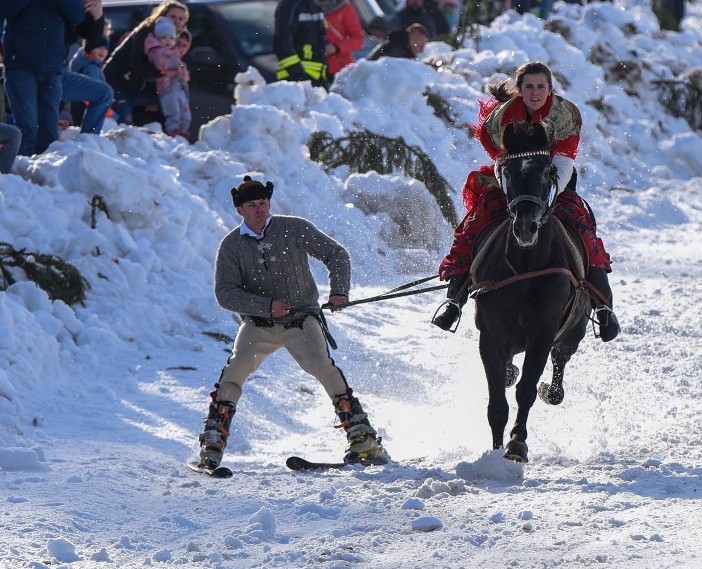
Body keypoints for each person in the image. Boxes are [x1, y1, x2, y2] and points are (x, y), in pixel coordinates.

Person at [196, 176, 389, 469]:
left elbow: (336, 254)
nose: (260, 209)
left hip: (301, 321)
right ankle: (213, 442)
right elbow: (225, 293)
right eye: (252, 205)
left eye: (263, 203)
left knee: (323, 366)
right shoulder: (231, 246)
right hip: (258, 326)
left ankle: (362, 437)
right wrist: (266, 306)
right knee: (235, 368)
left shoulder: (294, 228)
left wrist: (339, 291)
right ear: (240, 210)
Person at [431, 61, 621, 342]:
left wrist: (547, 196)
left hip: (552, 182)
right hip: (513, 184)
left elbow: (564, 161)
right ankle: (455, 300)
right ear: (519, 90)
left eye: (541, 87)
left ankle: (603, 306)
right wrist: (513, 190)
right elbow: (499, 159)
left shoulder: (564, 117)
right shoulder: (502, 118)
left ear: (550, 89)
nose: (535, 93)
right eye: (529, 87)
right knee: (474, 224)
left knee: (582, 228)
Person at [1, 0, 104, 156]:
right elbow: (6, 8)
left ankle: (43, 174)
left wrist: (98, 16)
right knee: (28, 127)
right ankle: (22, 174)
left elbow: (76, 17)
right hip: (20, 67)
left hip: (52, 68)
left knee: (48, 132)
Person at [103, 1, 189, 126]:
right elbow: (137, 65)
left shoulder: (172, 39)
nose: (176, 21)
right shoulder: (147, 33)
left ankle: (178, 131)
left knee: (175, 98)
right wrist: (161, 72)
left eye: (181, 18)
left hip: (138, 85)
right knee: (123, 126)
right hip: (118, 82)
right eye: (172, 16)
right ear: (162, 16)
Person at [144, 17, 191, 138]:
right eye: (164, 38)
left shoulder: (175, 51)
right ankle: (173, 131)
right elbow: (161, 64)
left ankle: (183, 132)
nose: (167, 41)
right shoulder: (157, 51)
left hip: (178, 87)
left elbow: (182, 68)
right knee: (173, 112)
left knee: (185, 113)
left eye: (171, 38)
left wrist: (182, 72)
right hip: (167, 87)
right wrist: (176, 66)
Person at [273, 0, 330, 88]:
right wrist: (300, 76)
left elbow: (319, 42)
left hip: (318, 80)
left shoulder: (315, 6)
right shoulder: (288, 5)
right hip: (294, 82)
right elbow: (282, 45)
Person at [318, 0, 364, 80]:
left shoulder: (345, 9)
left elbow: (358, 39)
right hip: (315, 66)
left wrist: (336, 47)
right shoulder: (307, 8)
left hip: (340, 69)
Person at [0, 41, 21, 174]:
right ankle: (3, 175)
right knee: (13, 134)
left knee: (15, 130)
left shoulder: (2, 80)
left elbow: (8, 110)